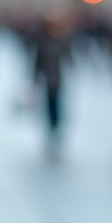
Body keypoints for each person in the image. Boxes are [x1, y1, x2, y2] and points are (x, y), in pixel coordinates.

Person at [32, 10, 71, 159]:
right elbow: (38, 60)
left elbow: (68, 55)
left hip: (59, 78)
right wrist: (34, 77)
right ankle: (51, 127)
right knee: (49, 104)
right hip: (47, 78)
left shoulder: (62, 39)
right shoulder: (42, 41)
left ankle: (56, 127)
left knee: (58, 104)